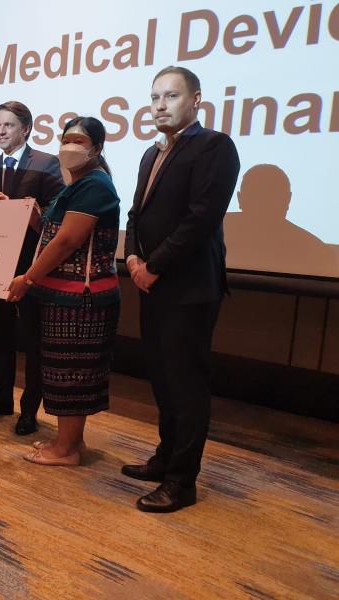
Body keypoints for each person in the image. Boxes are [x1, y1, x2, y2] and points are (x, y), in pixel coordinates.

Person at [123, 66, 240, 512]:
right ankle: (164, 457)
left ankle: (181, 481)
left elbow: (201, 218)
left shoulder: (215, 146)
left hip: (189, 288)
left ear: (196, 100)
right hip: (150, 283)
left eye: (171, 96)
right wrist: (132, 259)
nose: (160, 105)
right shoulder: (150, 154)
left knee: (186, 385)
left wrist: (154, 266)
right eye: (154, 97)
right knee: (161, 379)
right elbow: (135, 215)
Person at [7, 117, 120, 466]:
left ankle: (66, 449)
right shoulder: (77, 184)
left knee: (72, 374)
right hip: (62, 295)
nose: (69, 146)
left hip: (81, 298)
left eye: (79, 141)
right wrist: (30, 214)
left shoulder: (95, 185)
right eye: (65, 139)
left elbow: (67, 240)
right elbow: (51, 230)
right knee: (63, 371)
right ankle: (70, 441)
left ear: (96, 149)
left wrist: (27, 278)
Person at [0, 101, 65, 435]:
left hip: (31, 269)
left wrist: (22, 211)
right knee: (0, 336)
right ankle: (1, 398)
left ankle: (29, 410)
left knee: (33, 341)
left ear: (26, 129)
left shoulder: (47, 164)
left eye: (8, 125)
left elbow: (57, 218)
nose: (1, 131)